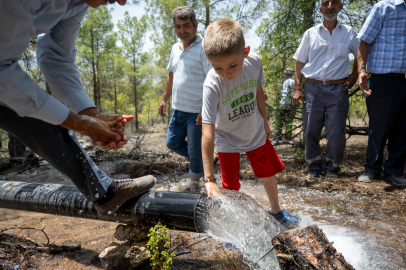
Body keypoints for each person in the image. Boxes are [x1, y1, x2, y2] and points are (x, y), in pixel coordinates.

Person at [0, 0, 156, 216]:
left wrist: (89, 115)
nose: (121, 2)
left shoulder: (78, 5)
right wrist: (79, 123)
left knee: (45, 116)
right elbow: (2, 70)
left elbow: (56, 55)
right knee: (45, 113)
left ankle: (105, 192)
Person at [201, 18, 300, 226]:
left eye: (232, 65)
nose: (226, 74)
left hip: (253, 129)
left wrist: (265, 122)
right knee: (229, 186)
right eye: (217, 67)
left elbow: (258, 93)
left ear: (245, 52)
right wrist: (209, 180)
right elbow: (207, 133)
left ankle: (276, 211)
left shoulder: (254, 62)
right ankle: (235, 224)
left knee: (268, 171)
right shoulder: (211, 84)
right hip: (227, 137)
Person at [292, 0, 359, 179]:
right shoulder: (310, 34)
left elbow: (360, 55)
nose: (330, 6)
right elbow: (299, 63)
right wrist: (297, 89)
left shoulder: (349, 33)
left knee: (336, 131)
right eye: (326, 3)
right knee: (310, 129)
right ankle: (313, 167)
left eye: (334, 2)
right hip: (312, 88)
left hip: (338, 89)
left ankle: (332, 167)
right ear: (320, 9)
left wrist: (355, 75)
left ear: (341, 6)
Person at [158, 6, 216, 192]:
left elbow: (212, 79)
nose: (182, 31)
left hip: (196, 112)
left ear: (195, 25)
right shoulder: (175, 48)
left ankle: (195, 186)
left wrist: (204, 109)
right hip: (178, 110)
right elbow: (171, 75)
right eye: (178, 26)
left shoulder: (203, 48)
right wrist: (164, 99)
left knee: (193, 149)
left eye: (186, 26)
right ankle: (205, 158)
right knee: (172, 143)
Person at [356, 0, 406, 187]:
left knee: (403, 130)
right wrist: (361, 72)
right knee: (379, 127)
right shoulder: (384, 7)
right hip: (384, 79)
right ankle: (371, 169)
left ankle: (394, 171)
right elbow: (364, 41)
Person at [274, 68, 296, 140]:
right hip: (293, 105)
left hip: (286, 104)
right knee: (289, 121)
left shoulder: (286, 82)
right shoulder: (295, 81)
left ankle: (278, 137)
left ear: (286, 74)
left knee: (279, 120)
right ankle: (288, 138)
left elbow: (285, 94)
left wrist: (281, 105)